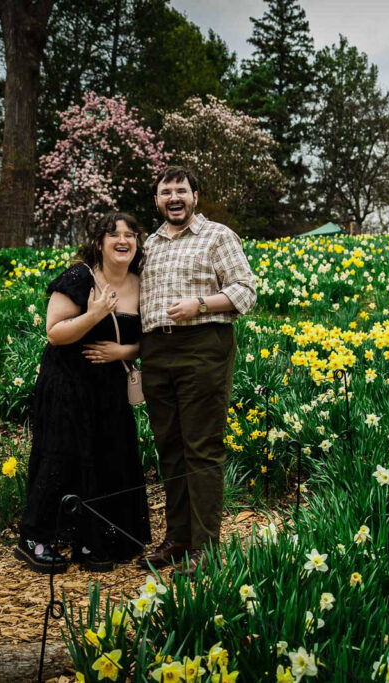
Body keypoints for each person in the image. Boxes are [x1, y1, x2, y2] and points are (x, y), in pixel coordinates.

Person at [16, 212, 151, 574]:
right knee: (59, 457)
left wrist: (122, 353)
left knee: (110, 457)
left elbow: (148, 341)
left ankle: (95, 539)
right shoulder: (80, 278)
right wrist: (94, 315)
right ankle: (34, 539)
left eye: (130, 235)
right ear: (99, 242)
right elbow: (54, 332)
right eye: (113, 235)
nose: (122, 241)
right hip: (68, 383)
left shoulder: (142, 283)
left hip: (109, 388)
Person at [138, 166, 256, 579]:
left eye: (181, 191)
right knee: (169, 447)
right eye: (165, 191)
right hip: (155, 351)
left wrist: (201, 305)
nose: (174, 197)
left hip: (203, 346)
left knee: (201, 447)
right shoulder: (147, 244)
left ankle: (206, 548)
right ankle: (177, 539)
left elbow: (245, 289)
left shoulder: (217, 236)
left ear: (195, 196)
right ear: (156, 200)